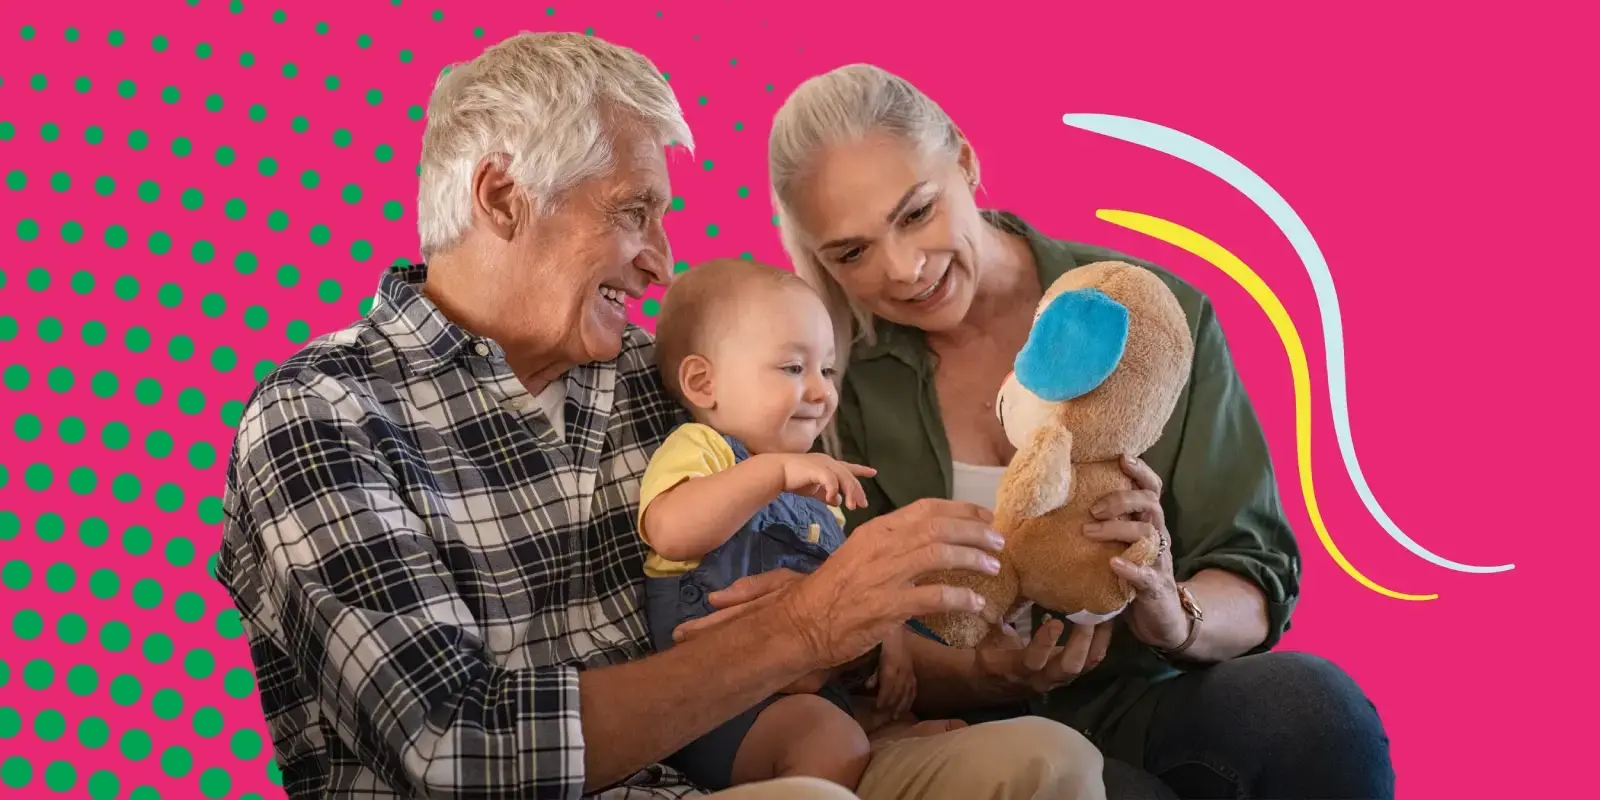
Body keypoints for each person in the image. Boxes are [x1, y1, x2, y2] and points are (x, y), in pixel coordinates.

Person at [216, 33, 1105, 800]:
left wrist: (856, 654)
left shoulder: (668, 379)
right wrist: (793, 630)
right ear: (500, 198)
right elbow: (456, 752)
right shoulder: (322, 413)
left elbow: (804, 596)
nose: (661, 264)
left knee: (1043, 761)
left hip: (748, 761)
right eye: (633, 211)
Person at [750, 63, 1397, 799]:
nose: (904, 269)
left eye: (916, 212)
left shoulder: (1150, 313)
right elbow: (845, 633)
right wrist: (986, 672)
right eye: (852, 253)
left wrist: (1169, 610)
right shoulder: (828, 383)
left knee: (1315, 712)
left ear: (963, 157)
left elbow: (1253, 572)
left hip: (1148, 697)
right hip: (973, 737)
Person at [640, 258, 975, 792]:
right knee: (829, 740)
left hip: (809, 697)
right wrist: (771, 472)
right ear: (703, 383)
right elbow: (671, 531)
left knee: (916, 731)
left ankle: (876, 744)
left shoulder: (817, 499)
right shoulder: (702, 449)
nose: (821, 392)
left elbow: (842, 598)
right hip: (723, 710)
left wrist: (885, 634)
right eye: (794, 369)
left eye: (828, 370)